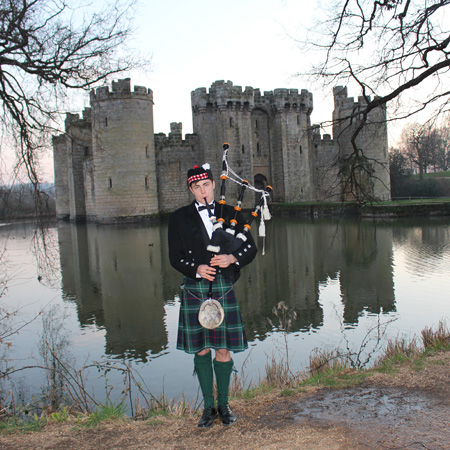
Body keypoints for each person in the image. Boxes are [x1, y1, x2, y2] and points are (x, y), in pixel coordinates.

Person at [168, 163, 257, 429]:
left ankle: (224, 405)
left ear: (213, 185)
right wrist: (195, 268)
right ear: (191, 189)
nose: (202, 190)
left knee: (223, 348)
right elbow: (175, 257)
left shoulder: (231, 212)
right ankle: (208, 407)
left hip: (223, 287)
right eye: (196, 187)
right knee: (202, 348)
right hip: (196, 290)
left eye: (206, 185)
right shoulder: (179, 218)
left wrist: (232, 258)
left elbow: (250, 248)